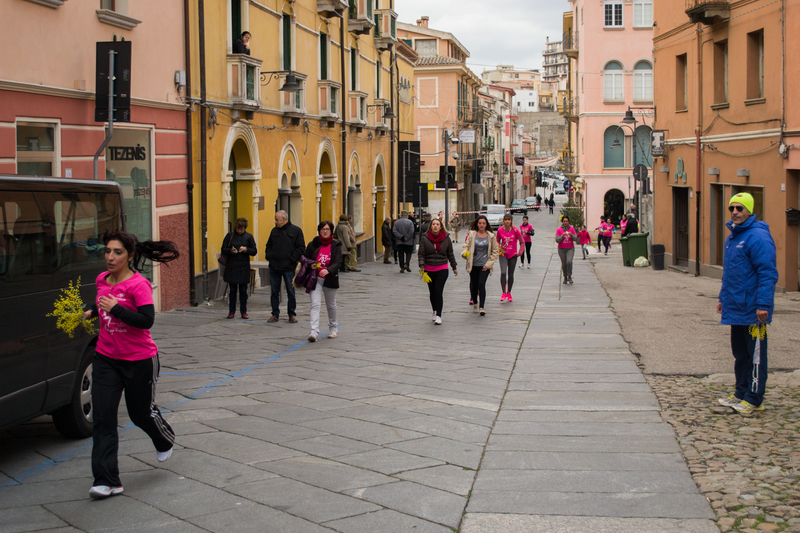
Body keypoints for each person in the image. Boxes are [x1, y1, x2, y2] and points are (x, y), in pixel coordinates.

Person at [82, 231, 180, 499]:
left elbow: (146, 320)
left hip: (139, 360)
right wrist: (92, 309)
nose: (110, 257)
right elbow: (103, 300)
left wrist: (115, 309)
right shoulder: (102, 279)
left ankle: (164, 438)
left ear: (130, 256)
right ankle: (107, 480)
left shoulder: (139, 285)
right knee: (103, 419)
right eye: (107, 251)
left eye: (117, 252)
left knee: (140, 413)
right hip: (105, 359)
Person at [716, 193, 778, 415]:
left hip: (754, 312)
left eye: (740, 208)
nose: (734, 212)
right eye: (732, 208)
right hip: (736, 308)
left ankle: (754, 398)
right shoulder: (734, 236)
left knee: (756, 357)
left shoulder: (758, 237)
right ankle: (740, 394)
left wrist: (763, 304)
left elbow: (767, 273)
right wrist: (723, 298)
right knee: (740, 355)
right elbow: (730, 273)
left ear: (750, 211)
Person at [265, 210, 305, 323]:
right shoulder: (274, 231)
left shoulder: (296, 231)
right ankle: (274, 314)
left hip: (289, 267)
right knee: (274, 291)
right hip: (274, 266)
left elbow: (301, 247)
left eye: (277, 219)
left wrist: (292, 259)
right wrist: (269, 256)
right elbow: (268, 245)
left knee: (291, 291)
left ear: (283, 219)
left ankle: (291, 314)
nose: (275, 221)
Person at [304, 221, 342, 342]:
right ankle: (314, 331)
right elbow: (305, 258)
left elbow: (338, 262)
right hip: (315, 279)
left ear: (331, 231)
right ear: (319, 231)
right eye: (322, 229)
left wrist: (328, 270)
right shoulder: (313, 244)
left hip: (330, 279)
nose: (325, 231)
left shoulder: (336, 245)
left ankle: (333, 328)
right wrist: (311, 264)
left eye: (327, 229)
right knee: (315, 304)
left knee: (331, 305)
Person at [418, 218, 457, 325]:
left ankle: (439, 315)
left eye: (437, 224)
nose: (435, 226)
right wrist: (421, 265)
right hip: (429, 268)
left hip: (442, 268)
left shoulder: (446, 238)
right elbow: (421, 253)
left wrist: (454, 267)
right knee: (432, 292)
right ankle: (434, 310)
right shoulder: (425, 238)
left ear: (440, 227)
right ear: (431, 226)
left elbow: (450, 254)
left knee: (438, 291)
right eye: (433, 224)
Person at [221, 217, 257, 319]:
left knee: (243, 291)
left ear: (245, 228)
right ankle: (231, 311)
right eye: (238, 229)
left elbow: (254, 250)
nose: (239, 231)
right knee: (232, 291)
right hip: (232, 267)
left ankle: (243, 311)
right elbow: (223, 248)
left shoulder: (249, 237)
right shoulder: (230, 235)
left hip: (243, 267)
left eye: (241, 229)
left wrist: (246, 249)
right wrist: (230, 250)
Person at [462, 215, 499, 316]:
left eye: (483, 223)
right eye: (480, 223)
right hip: (473, 264)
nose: (482, 225)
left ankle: (482, 307)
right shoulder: (472, 234)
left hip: (484, 265)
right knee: (474, 285)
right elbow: (466, 246)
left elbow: (495, 252)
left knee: (481, 284)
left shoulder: (491, 236)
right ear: (477, 224)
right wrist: (464, 253)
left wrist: (488, 264)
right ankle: (475, 302)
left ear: (486, 224)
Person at [496, 215, 525, 302]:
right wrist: (498, 248)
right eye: (505, 220)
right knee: (503, 273)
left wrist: (520, 252)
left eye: (509, 220)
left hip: (513, 255)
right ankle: (503, 292)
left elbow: (522, 241)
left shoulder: (515, 230)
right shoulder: (500, 230)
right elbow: (497, 241)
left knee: (510, 274)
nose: (507, 221)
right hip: (503, 254)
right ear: (503, 221)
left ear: (511, 221)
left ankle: (509, 292)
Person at [556, 215, 577, 284]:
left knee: (569, 261)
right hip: (561, 249)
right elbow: (557, 240)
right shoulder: (559, 230)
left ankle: (569, 275)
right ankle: (565, 276)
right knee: (564, 263)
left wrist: (572, 235)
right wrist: (562, 236)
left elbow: (575, 238)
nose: (565, 223)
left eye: (567, 221)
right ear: (562, 222)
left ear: (569, 222)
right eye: (564, 221)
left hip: (570, 248)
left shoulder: (571, 228)